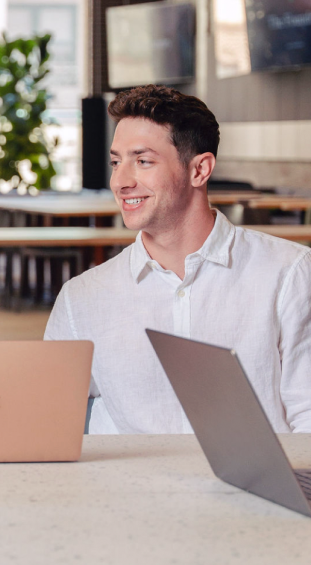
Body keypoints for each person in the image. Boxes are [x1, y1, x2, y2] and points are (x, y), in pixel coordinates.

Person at [44, 84, 311, 434]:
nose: (120, 181)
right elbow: (51, 424)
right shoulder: (82, 298)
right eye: (116, 162)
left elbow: (306, 413)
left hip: (257, 490)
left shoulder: (288, 273)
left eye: (143, 161)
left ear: (199, 170)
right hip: (132, 488)